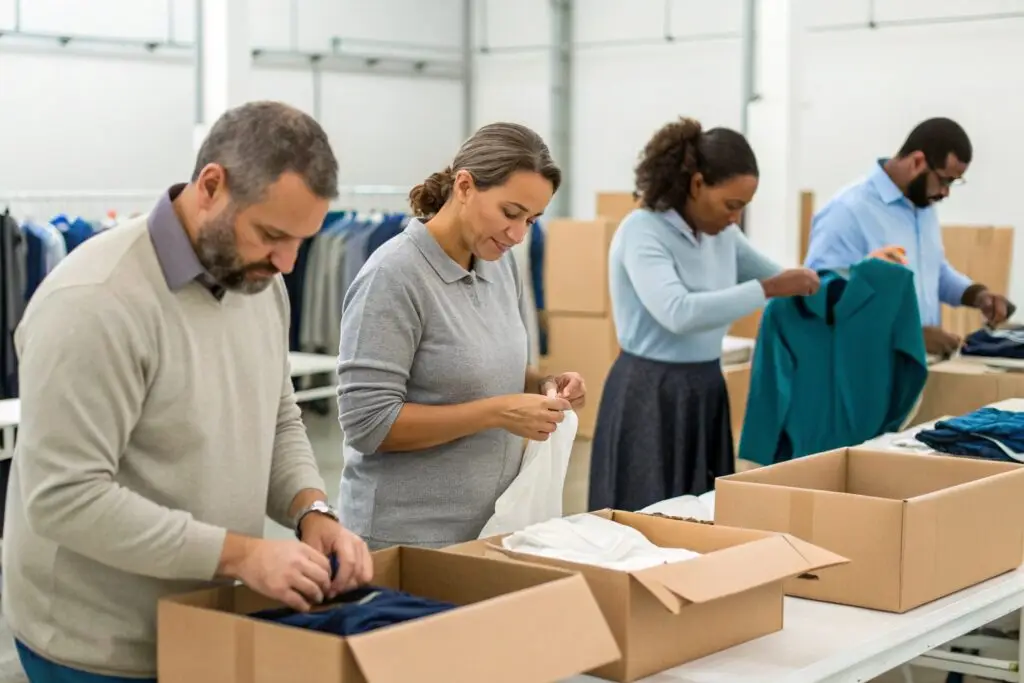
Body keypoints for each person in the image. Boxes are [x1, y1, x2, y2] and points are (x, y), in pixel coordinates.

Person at [3, 101, 373, 683]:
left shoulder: (259, 283)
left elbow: (276, 419)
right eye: (272, 234)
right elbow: (64, 498)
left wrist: (311, 509)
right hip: (97, 649)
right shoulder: (96, 301)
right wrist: (243, 554)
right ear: (211, 186)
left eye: (303, 241)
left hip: (203, 623)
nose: (287, 262)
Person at [336, 122, 585, 549]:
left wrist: (542, 385)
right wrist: (496, 413)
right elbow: (368, 424)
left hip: (489, 529)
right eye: (510, 213)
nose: (519, 234)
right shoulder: (393, 276)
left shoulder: (499, 263)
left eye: (532, 219)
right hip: (407, 540)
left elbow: (484, 365)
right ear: (465, 186)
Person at [588, 117, 821, 512]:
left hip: (705, 386)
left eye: (743, 209)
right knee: (644, 515)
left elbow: (783, 277)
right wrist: (768, 290)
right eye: (731, 205)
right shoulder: (642, 231)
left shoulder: (723, 236)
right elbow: (678, 312)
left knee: (699, 514)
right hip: (652, 392)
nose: (735, 218)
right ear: (696, 184)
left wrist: (850, 276)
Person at [804, 117, 1013, 356]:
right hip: (864, 370)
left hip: (916, 368)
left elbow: (934, 271)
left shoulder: (921, 207)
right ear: (917, 161)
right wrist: (908, 335)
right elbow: (823, 301)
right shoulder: (847, 211)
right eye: (945, 181)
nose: (945, 193)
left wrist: (977, 295)